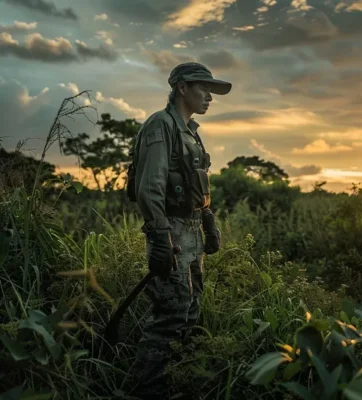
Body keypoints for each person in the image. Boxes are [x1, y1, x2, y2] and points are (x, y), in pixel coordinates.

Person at [127, 62, 231, 399]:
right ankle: (148, 390)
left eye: (211, 91)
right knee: (170, 314)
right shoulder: (162, 125)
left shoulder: (191, 131)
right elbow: (149, 188)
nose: (209, 97)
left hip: (191, 230)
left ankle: (176, 381)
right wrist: (160, 239)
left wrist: (209, 220)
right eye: (204, 88)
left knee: (191, 307)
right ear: (182, 88)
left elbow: (197, 183)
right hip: (170, 230)